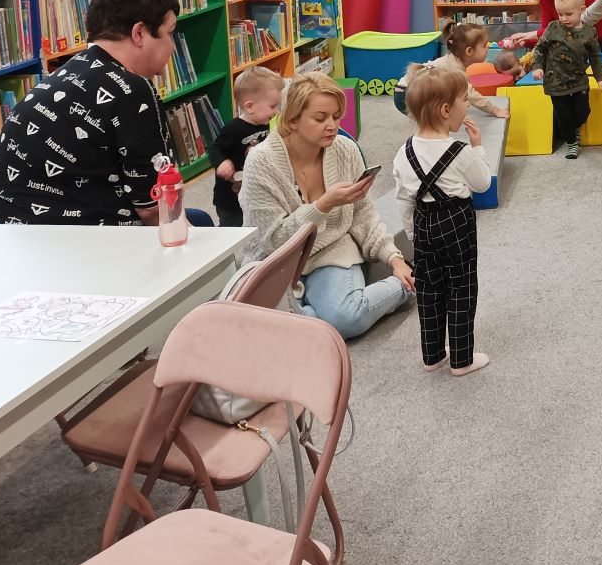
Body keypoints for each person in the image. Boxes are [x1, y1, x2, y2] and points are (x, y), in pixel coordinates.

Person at [0, 0, 210, 228]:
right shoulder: (132, 91)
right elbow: (154, 209)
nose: (172, 47)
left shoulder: (68, 71)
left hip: (0, 235)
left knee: (200, 219)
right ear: (139, 33)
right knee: (204, 232)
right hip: (74, 241)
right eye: (169, 33)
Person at [240, 72, 414, 340]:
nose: (332, 126)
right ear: (292, 119)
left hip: (330, 250)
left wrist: (395, 259)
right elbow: (273, 241)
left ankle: (407, 285)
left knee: (347, 317)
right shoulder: (261, 163)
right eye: (320, 118)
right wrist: (323, 205)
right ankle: (312, 319)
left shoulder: (345, 150)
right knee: (262, 330)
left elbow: (363, 216)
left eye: (336, 116)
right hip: (278, 260)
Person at [397, 62, 493, 376]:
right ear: (446, 110)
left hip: (423, 224)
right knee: (462, 287)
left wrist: (414, 236)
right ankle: (462, 359)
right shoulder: (459, 151)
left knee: (430, 289)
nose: (469, 105)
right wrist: (478, 148)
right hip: (456, 222)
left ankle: (433, 354)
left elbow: (404, 199)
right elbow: (483, 183)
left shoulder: (404, 151)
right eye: (466, 100)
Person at [530, 0, 602, 158]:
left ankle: (574, 128)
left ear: (582, 10)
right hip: (555, 82)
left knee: (583, 112)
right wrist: (537, 67)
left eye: (569, 14)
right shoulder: (553, 28)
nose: (564, 18)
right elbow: (540, 48)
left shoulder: (589, 32)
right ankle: (572, 143)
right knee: (563, 116)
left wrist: (601, 79)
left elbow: (595, 57)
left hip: (579, 81)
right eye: (560, 14)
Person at [210, 65, 283, 228]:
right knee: (233, 230)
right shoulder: (233, 128)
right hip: (230, 197)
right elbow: (215, 149)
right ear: (250, 106)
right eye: (272, 106)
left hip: (253, 190)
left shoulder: (263, 123)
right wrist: (221, 162)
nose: (276, 111)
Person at [404, 20, 510, 119]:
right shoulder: (456, 70)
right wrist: (495, 110)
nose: (487, 48)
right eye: (484, 45)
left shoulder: (452, 62)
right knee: (436, 122)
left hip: (410, 90)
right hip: (408, 93)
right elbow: (471, 95)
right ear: (469, 51)